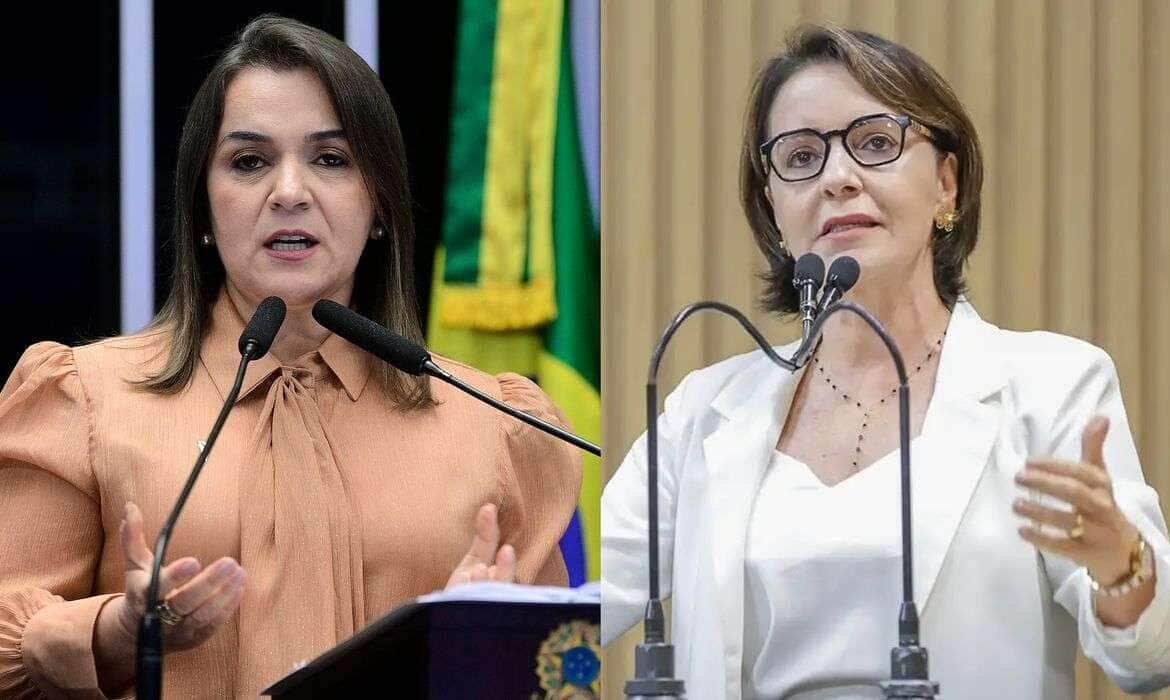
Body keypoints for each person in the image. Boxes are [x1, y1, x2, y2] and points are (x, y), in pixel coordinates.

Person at [0, 15, 581, 699]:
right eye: (250, 161)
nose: (289, 191)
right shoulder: (86, 401)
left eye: (331, 159)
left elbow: (561, 672)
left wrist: (473, 650)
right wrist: (114, 633)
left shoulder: (492, 425)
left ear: (381, 206)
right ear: (203, 211)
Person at [601, 25, 1170, 698]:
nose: (838, 179)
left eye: (876, 143)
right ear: (774, 211)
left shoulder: (1052, 387)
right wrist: (478, 600)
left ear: (947, 187)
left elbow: (1148, 661)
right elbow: (581, 599)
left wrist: (1121, 566)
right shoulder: (702, 411)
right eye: (801, 156)